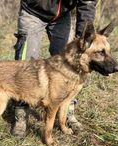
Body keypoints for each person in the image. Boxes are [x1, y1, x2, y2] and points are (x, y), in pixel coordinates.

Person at [12, 0, 96, 137]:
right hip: (33, 11)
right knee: (25, 65)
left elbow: (87, 5)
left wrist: (83, 39)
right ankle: (21, 112)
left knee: (71, 62)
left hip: (62, 15)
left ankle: (67, 111)